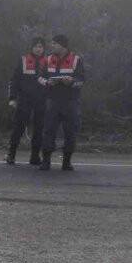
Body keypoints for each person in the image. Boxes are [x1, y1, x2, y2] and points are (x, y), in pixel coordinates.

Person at [38, 34, 85, 171]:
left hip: (70, 102)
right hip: (52, 101)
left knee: (70, 132)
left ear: (62, 45)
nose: (52, 46)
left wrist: (71, 82)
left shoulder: (76, 59)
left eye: (54, 44)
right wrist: (48, 82)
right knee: (48, 131)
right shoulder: (47, 59)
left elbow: (81, 81)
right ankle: (46, 161)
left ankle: (67, 162)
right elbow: (39, 77)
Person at [6, 37, 47, 165]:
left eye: (40, 46)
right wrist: (12, 98)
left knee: (39, 129)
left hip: (41, 100)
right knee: (18, 128)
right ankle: (11, 155)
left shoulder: (48, 61)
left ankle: (35, 156)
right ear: (31, 47)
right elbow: (15, 80)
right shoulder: (23, 60)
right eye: (36, 46)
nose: (38, 49)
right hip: (24, 100)